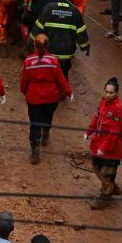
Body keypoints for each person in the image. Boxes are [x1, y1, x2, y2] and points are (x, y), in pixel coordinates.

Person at [21, 34, 72, 164]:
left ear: (34, 45)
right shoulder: (54, 61)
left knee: (34, 124)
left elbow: (24, 82)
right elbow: (61, 79)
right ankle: (46, 132)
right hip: (51, 97)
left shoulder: (28, 61)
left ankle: (35, 151)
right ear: (48, 45)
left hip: (34, 98)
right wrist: (68, 92)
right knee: (47, 117)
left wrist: (24, 91)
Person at [30, 0, 90, 79]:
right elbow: (81, 32)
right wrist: (85, 47)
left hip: (48, 52)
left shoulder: (48, 8)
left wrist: (29, 45)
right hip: (65, 55)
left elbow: (37, 29)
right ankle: (62, 91)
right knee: (62, 76)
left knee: (48, 76)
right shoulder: (74, 11)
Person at [84, 77, 122, 209]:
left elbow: (115, 131)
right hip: (99, 143)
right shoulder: (102, 103)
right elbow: (96, 117)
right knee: (96, 167)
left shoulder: (120, 109)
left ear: (116, 93)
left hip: (112, 148)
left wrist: (104, 148)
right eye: (106, 92)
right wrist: (89, 131)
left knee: (107, 172)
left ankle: (105, 197)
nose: (108, 95)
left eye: (111, 93)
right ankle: (111, 186)